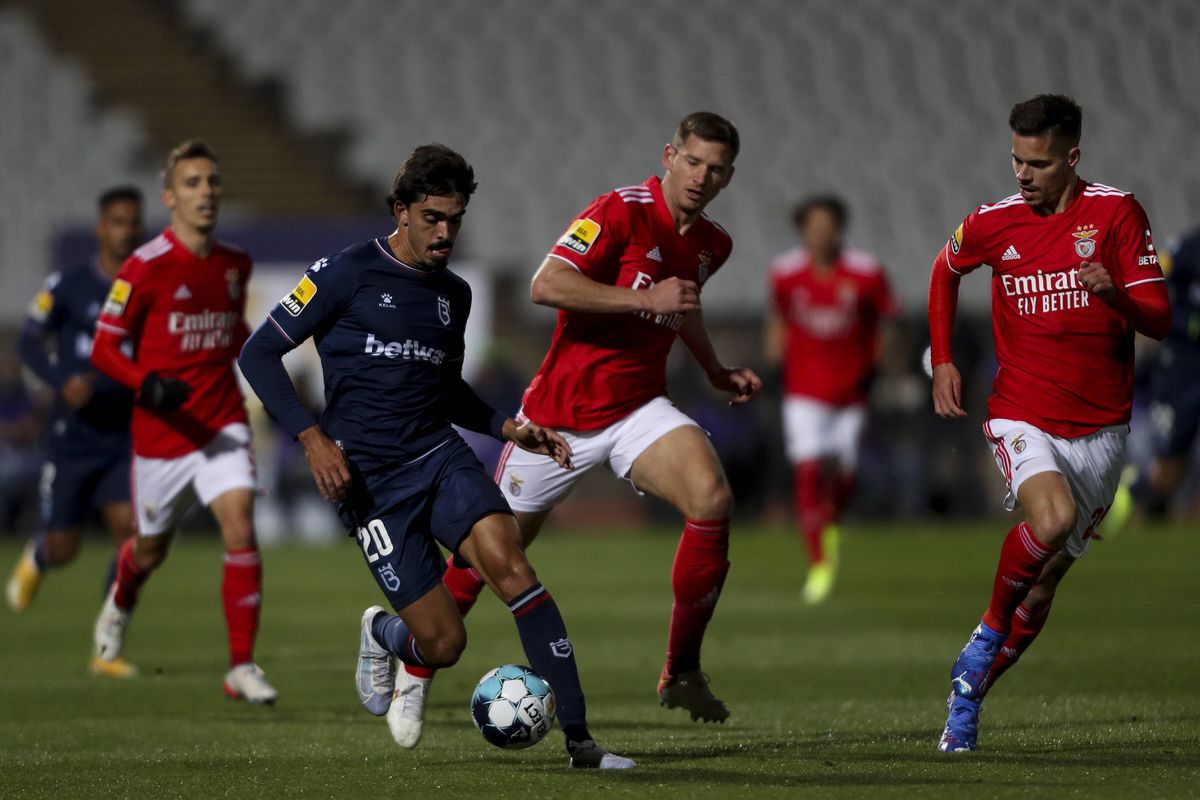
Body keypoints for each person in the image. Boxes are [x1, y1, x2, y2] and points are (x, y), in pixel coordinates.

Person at [237, 143, 634, 769]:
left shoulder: (455, 295)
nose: (445, 232)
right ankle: (383, 633)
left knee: (514, 570)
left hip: (436, 454)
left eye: (456, 219)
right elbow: (257, 353)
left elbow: (443, 388)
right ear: (401, 211)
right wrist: (311, 440)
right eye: (432, 218)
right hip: (366, 480)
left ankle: (582, 742)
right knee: (444, 642)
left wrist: (509, 427)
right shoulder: (344, 272)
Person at [393, 111, 762, 742]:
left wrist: (715, 370)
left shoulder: (712, 244)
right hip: (555, 420)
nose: (702, 177)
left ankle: (681, 670)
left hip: (639, 410)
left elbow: (683, 307)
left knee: (712, 497)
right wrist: (644, 299)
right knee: (486, 562)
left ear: (730, 176)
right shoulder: (618, 210)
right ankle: (412, 666)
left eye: (717, 168)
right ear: (669, 155)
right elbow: (547, 284)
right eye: (693, 161)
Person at [928, 95, 1169, 752]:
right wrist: (944, 358)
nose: (1023, 174)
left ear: (1072, 157)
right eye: (1016, 159)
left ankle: (967, 699)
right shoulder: (992, 222)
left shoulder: (1117, 214)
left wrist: (1114, 293)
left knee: (1043, 589)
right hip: (1022, 411)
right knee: (1052, 519)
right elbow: (944, 270)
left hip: (1102, 427)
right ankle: (983, 639)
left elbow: (1160, 317)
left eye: (1037, 162)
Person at [87, 141, 276, 702]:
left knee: (240, 523)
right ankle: (118, 605)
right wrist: (146, 382)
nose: (206, 193)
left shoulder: (235, 264)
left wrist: (267, 359)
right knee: (150, 549)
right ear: (170, 196)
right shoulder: (144, 267)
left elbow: (232, 334)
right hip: (162, 438)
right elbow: (104, 346)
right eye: (193, 183)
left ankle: (241, 666)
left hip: (220, 425)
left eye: (213, 182)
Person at [6, 187, 141, 620]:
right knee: (65, 546)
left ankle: (108, 639)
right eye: (117, 222)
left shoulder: (148, 289)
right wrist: (61, 380)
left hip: (122, 434)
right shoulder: (67, 285)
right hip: (72, 435)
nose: (126, 231)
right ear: (101, 228)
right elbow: (28, 340)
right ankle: (38, 556)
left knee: (129, 534)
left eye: (133, 223)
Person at [766, 194, 896, 604]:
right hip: (803, 391)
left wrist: (880, 367)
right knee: (808, 472)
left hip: (851, 391)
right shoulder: (785, 274)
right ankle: (819, 564)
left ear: (840, 228)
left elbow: (886, 324)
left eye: (829, 226)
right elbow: (778, 322)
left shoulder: (866, 272)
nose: (822, 234)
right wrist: (772, 365)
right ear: (802, 230)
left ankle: (832, 522)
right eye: (814, 226)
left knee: (844, 474)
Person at [1109, 226, 1200, 521]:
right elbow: (1157, 272)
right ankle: (1126, 497)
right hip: (1184, 364)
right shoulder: (1190, 245)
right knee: (1171, 463)